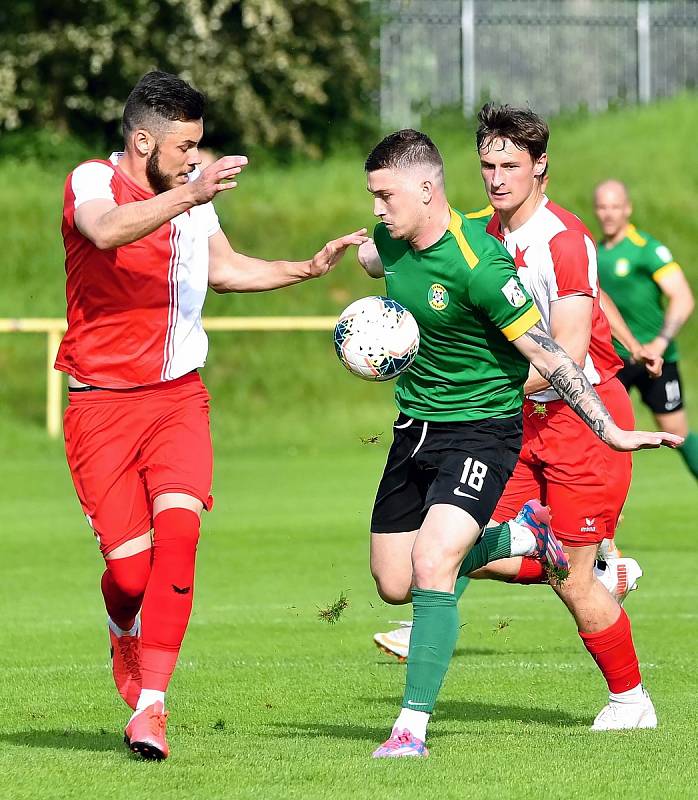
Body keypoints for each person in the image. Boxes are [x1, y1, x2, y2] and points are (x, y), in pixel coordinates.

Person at [55, 70, 368, 760]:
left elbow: (225, 270)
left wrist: (304, 269)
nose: (196, 158)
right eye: (185, 146)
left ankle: (152, 707)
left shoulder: (191, 198)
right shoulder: (92, 183)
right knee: (131, 576)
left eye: (199, 147)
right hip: (101, 408)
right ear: (144, 141)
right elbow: (104, 233)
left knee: (182, 537)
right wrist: (191, 194)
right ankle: (121, 623)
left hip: (176, 401)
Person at [356, 128, 680, 758]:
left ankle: (630, 698)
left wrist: (605, 427)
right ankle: (494, 557)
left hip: (573, 416)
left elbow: (570, 352)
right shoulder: (479, 227)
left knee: (573, 578)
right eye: (487, 164)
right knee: (438, 558)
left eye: (511, 165)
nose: (497, 177)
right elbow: (411, 253)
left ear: (540, 169)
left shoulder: (562, 241)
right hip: (513, 413)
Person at [594, 179, 697, 481]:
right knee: (600, 434)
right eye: (602, 207)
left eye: (615, 206)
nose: (609, 214)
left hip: (656, 358)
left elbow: (683, 297)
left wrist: (660, 343)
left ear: (628, 209)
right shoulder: (595, 253)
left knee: (676, 432)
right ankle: (597, 510)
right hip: (612, 362)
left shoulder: (647, 249)